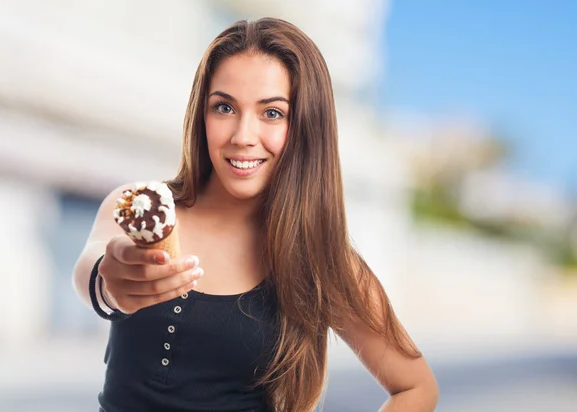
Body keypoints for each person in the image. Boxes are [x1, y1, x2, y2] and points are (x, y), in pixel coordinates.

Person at [73, 17, 439, 412]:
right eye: (225, 107)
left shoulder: (323, 260)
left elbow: (416, 388)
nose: (243, 135)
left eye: (272, 113)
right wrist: (112, 283)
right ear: (202, 115)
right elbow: (94, 270)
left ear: (305, 126)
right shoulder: (138, 206)